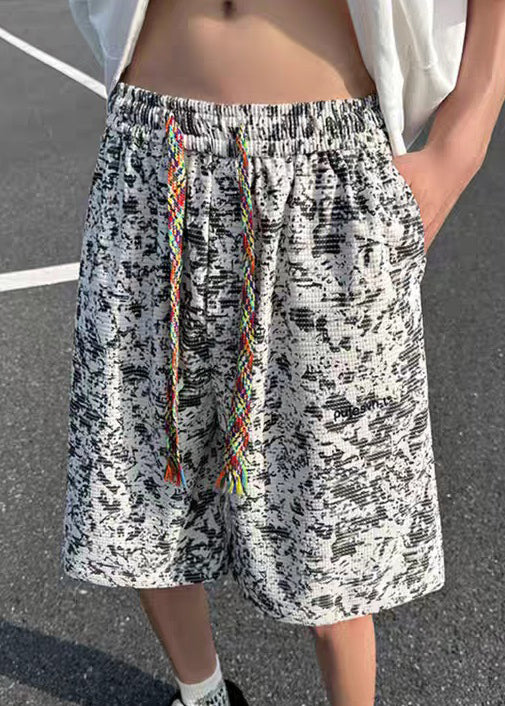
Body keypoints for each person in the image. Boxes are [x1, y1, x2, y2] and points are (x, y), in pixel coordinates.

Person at [61, 1, 505, 704]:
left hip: (329, 172)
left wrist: (462, 142)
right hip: (151, 150)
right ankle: (203, 695)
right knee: (139, 483)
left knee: (335, 525)